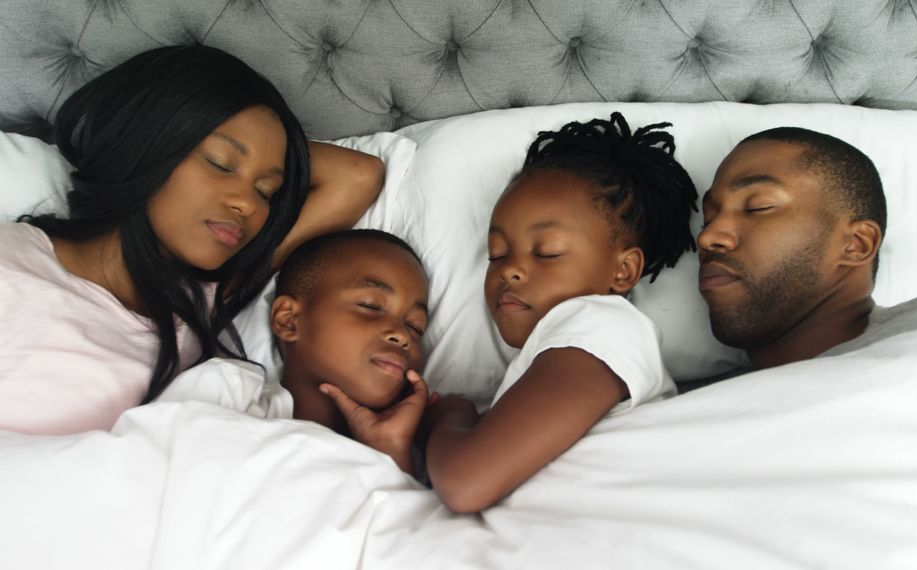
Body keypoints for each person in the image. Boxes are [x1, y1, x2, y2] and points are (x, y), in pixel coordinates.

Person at [0, 45, 385, 435]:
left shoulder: (197, 298)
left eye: (266, 190)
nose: (248, 204)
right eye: (220, 163)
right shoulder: (11, 265)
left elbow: (357, 176)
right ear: (146, 142)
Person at [419, 112, 699, 513]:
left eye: (546, 251)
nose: (509, 269)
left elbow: (465, 483)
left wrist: (450, 417)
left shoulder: (602, 326)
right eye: (496, 254)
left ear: (624, 271)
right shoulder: (553, 356)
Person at [694, 126, 917, 380]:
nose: (707, 237)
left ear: (856, 244)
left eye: (758, 207)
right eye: (708, 218)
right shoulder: (693, 410)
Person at [270, 229, 432, 475]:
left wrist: (388, 446)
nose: (402, 335)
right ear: (289, 320)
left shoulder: (425, 463)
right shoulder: (228, 392)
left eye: (415, 327)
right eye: (371, 306)